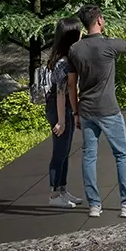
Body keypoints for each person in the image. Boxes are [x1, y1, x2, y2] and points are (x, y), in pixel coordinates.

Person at [67, 3, 126, 219]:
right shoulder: (109, 45)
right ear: (100, 20)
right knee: (121, 155)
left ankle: (94, 205)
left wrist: (75, 113)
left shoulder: (74, 50)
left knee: (89, 156)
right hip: (109, 110)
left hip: (86, 110)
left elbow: (71, 85)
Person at [44, 16, 84, 209]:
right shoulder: (62, 62)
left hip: (66, 106)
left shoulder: (69, 58)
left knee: (65, 150)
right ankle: (53, 195)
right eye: (80, 31)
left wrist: (75, 113)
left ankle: (62, 190)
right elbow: (60, 93)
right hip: (57, 106)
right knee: (59, 151)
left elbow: (71, 90)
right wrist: (61, 120)